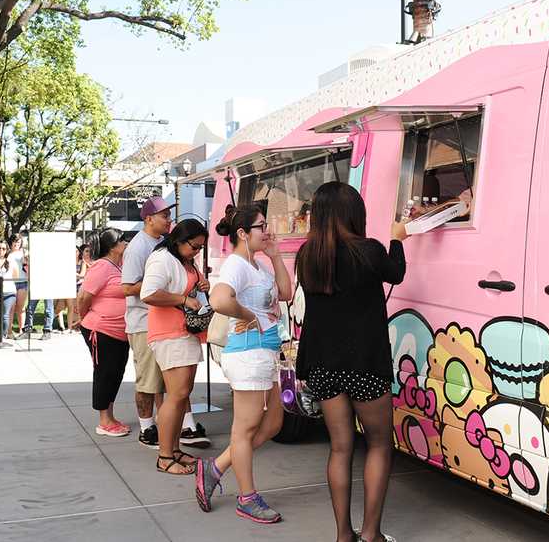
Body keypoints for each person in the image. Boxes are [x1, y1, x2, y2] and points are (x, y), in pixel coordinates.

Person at [295, 182, 408, 542]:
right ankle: (371, 535)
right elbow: (396, 273)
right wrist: (398, 237)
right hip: (364, 365)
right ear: (353, 213)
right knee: (377, 445)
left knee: (340, 448)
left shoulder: (308, 256)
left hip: (324, 366)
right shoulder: (368, 251)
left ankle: (344, 535)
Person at [198, 204, 292, 524]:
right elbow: (219, 300)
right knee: (245, 430)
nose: (266, 231)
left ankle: (214, 468)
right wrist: (249, 315)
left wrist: (276, 255)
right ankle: (247, 498)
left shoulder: (258, 265)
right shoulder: (237, 264)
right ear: (242, 233)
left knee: (273, 424)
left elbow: (286, 292)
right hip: (248, 355)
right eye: (261, 226)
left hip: (265, 353)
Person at [140, 218, 211, 475]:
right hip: (170, 334)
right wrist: (183, 299)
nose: (197, 251)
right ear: (180, 241)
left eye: (201, 247)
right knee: (177, 395)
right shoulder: (162, 259)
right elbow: (148, 293)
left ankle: (174, 450)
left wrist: (202, 285)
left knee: (182, 394)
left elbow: (189, 286)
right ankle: (165, 456)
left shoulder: (183, 260)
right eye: (195, 246)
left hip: (183, 332)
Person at [120, 196, 172, 448]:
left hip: (163, 320)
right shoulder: (137, 247)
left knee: (163, 379)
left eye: (169, 215)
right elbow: (127, 288)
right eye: (164, 216)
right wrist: (156, 284)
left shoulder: (164, 242)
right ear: (148, 219)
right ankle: (146, 428)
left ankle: (167, 425)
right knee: (148, 381)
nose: (169, 220)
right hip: (143, 323)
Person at [77, 229, 133, 437]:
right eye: (121, 240)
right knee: (105, 373)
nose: (125, 243)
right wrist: (84, 318)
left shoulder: (119, 266)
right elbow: (84, 297)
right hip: (101, 330)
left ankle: (110, 416)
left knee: (115, 373)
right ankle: (104, 421)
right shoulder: (102, 267)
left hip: (119, 332)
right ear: (112, 246)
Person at [68, 244, 93, 331]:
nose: (88, 253)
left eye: (89, 251)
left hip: (81, 286)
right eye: (86, 251)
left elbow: (82, 275)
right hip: (71, 285)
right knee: (71, 306)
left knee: (78, 307)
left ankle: (78, 325)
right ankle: (70, 325)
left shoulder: (84, 262)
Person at [8, 236, 28, 338]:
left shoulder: (23, 253)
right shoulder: (7, 253)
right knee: (11, 307)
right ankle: (9, 331)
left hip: (22, 281)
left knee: (21, 307)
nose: (16, 244)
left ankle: (21, 330)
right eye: (15, 242)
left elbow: (27, 264)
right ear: (11, 242)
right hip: (10, 282)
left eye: (18, 242)